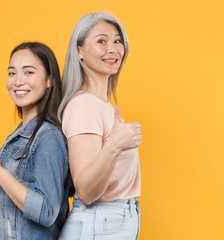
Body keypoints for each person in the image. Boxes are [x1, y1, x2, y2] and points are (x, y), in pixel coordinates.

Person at [58, 12, 143, 240]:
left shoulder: (100, 104)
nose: (113, 49)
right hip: (100, 223)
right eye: (101, 41)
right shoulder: (84, 106)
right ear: (79, 51)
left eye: (117, 40)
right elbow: (85, 191)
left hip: (108, 223)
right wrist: (115, 145)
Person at [0, 42, 72, 240]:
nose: (18, 81)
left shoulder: (48, 137)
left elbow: (47, 211)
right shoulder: (21, 134)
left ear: (50, 80)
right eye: (12, 73)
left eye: (28, 72)